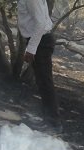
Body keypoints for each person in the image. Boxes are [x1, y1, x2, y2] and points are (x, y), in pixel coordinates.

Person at [17, 0, 62, 133]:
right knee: (43, 82)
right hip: (40, 40)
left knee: (45, 82)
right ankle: (49, 121)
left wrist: (31, 48)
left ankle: (53, 124)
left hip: (41, 41)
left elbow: (41, 23)